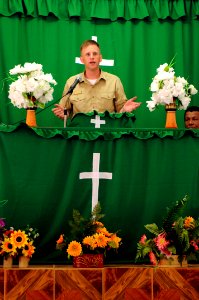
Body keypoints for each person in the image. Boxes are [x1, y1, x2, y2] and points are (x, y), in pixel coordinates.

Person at [52, 40, 141, 119]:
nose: (92, 57)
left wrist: (124, 109)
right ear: (82, 59)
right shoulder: (72, 82)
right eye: (87, 54)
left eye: (95, 54)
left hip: (107, 135)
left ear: (100, 58)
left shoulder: (114, 81)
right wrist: (64, 114)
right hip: (79, 134)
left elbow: (120, 113)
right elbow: (65, 111)